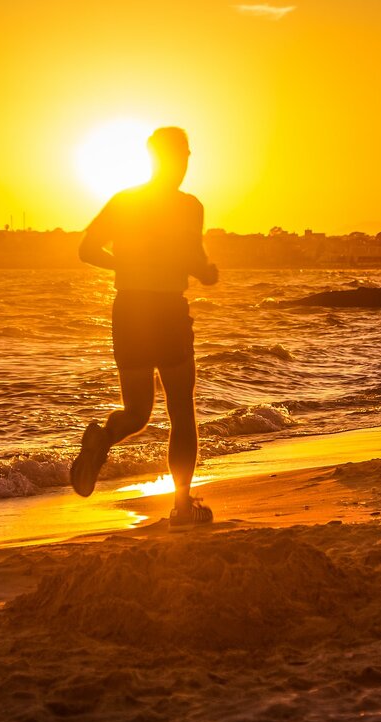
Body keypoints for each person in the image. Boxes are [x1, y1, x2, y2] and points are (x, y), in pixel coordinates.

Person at [72, 126, 218, 529]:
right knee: (180, 412)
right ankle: (183, 508)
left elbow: (87, 249)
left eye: (186, 157)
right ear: (163, 158)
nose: (184, 164)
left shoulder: (126, 201)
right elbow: (194, 258)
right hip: (166, 310)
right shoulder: (189, 206)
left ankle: (101, 440)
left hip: (131, 309)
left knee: (137, 414)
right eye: (181, 156)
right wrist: (205, 272)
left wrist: (131, 266)